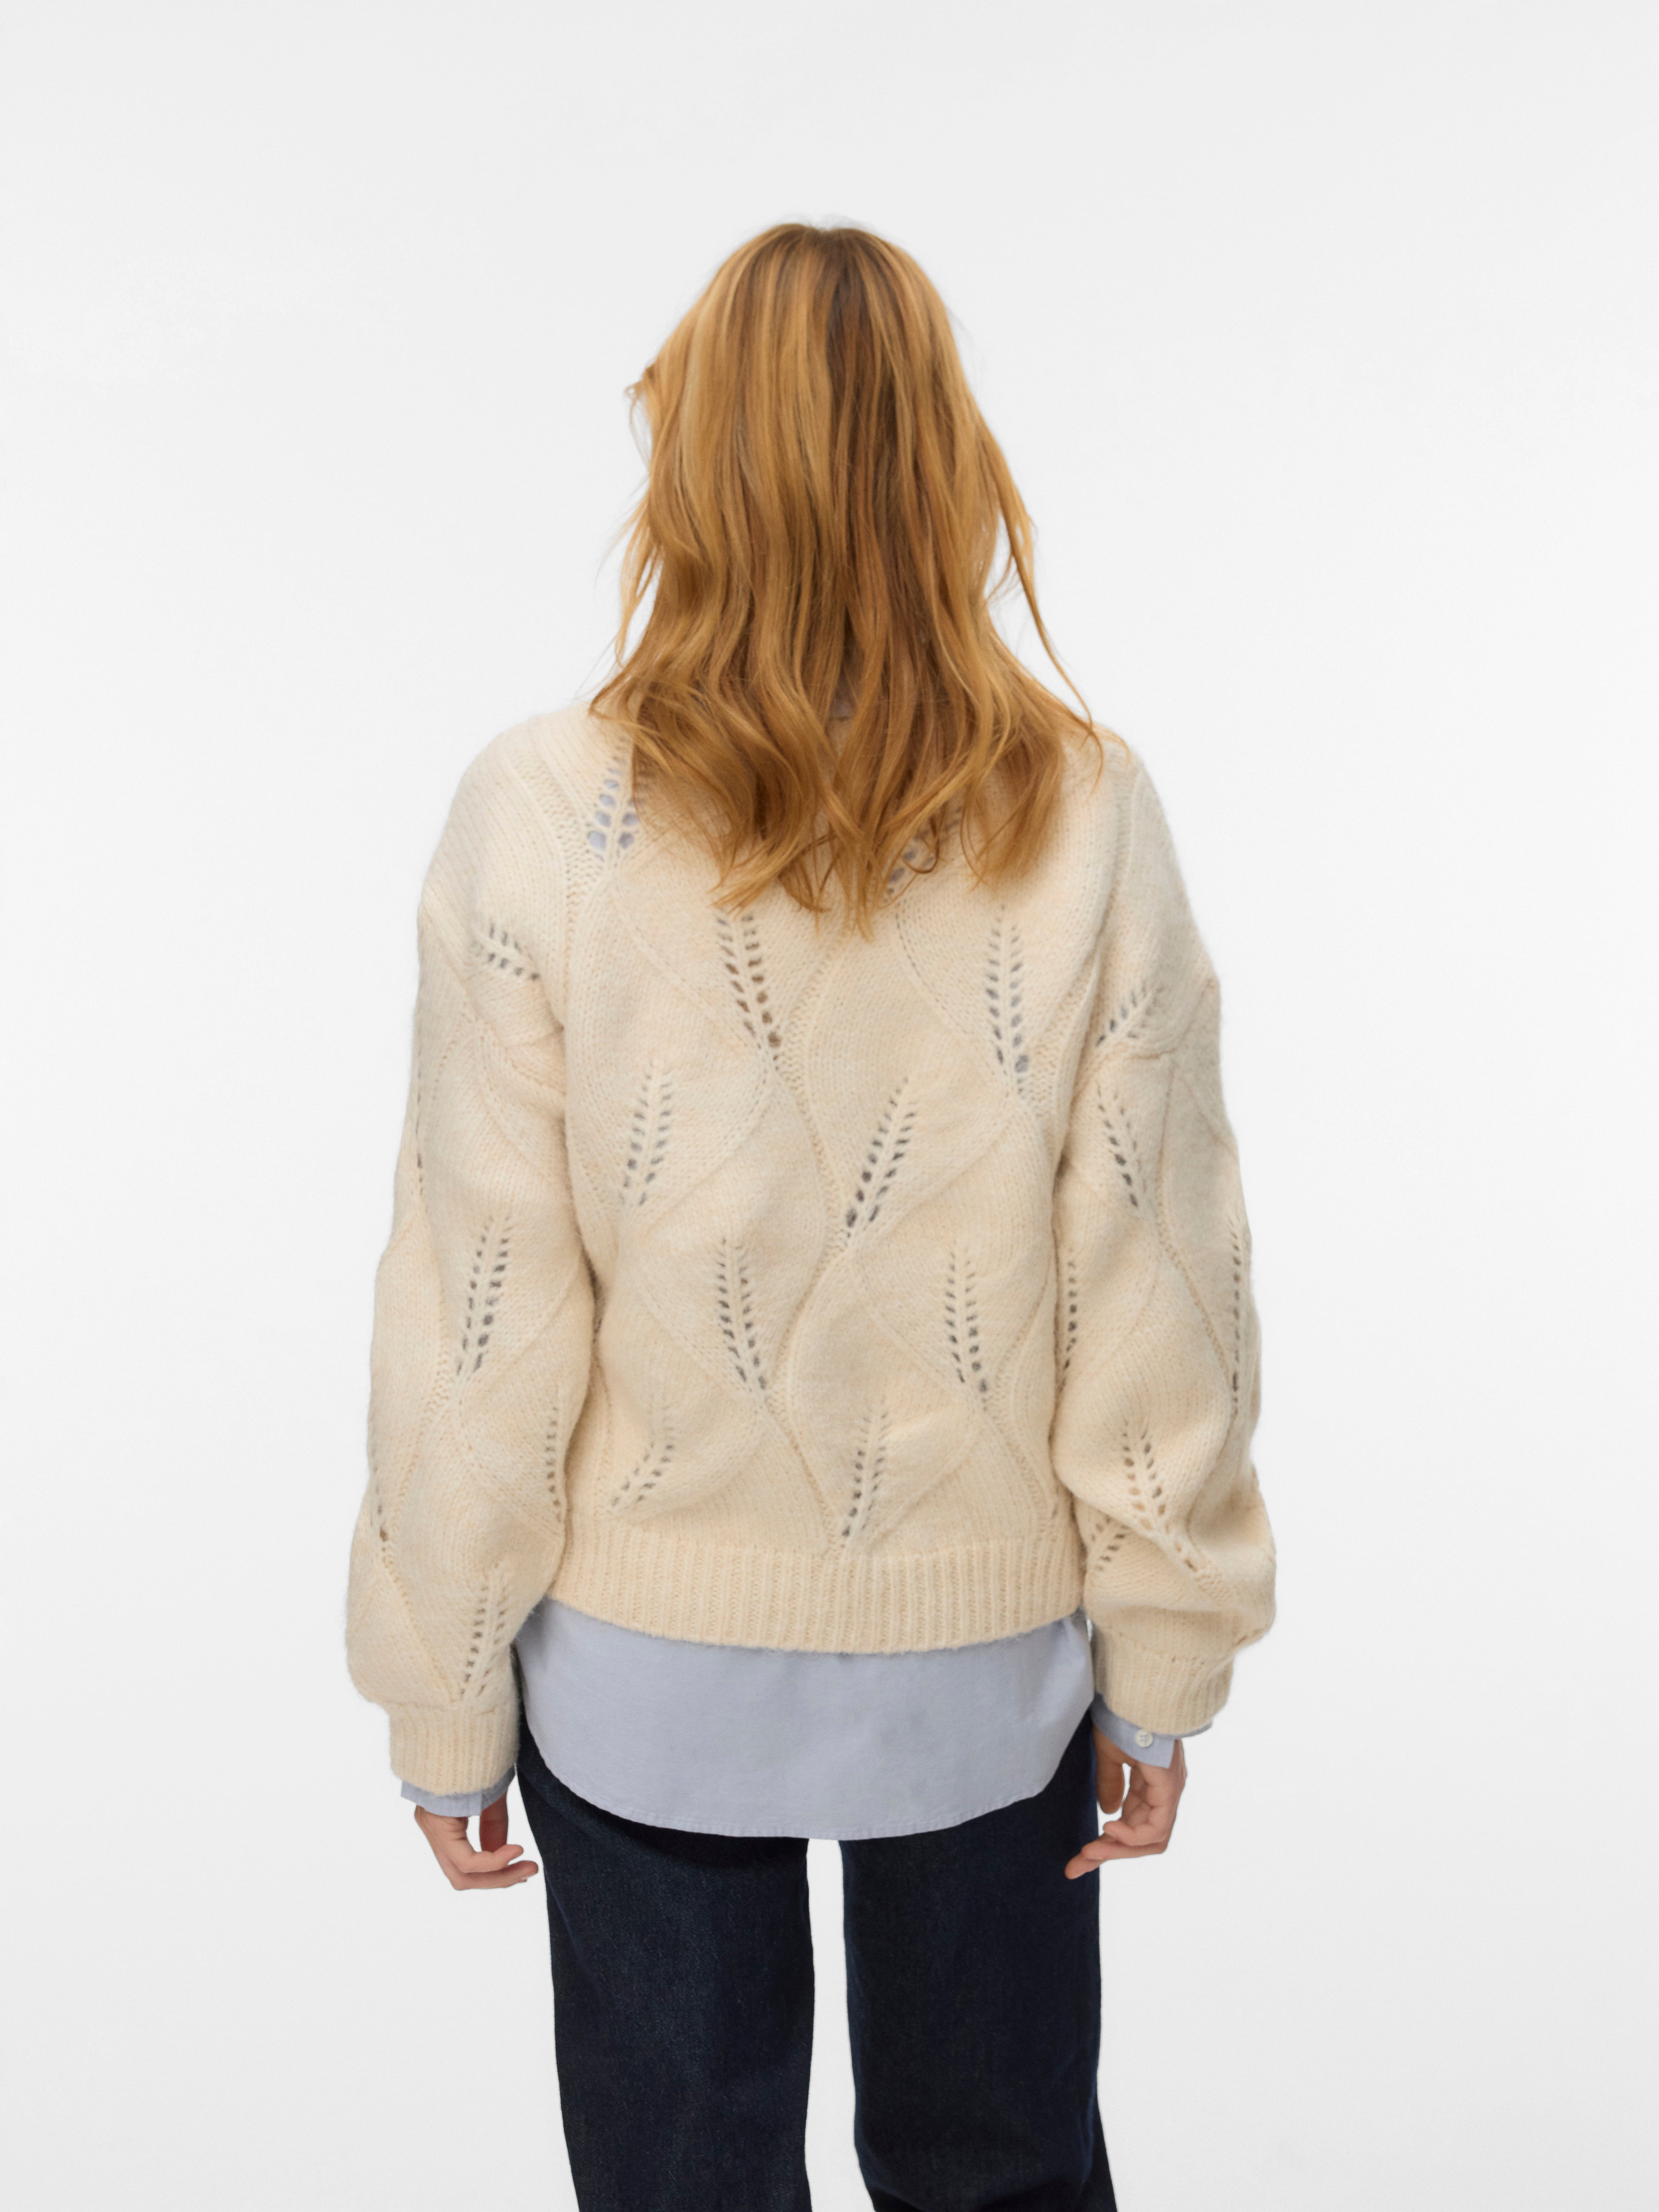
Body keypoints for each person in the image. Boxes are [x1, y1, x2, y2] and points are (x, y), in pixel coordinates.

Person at [345, 221, 1276, 2212]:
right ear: (947, 462)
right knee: (1005, 2173)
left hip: (640, 1672)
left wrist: (444, 1686)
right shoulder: (1084, 808)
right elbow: (1157, 1277)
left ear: (688, 463)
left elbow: (477, 1301)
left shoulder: (542, 808)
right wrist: (1162, 1654)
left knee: (680, 2184)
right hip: (988, 1672)